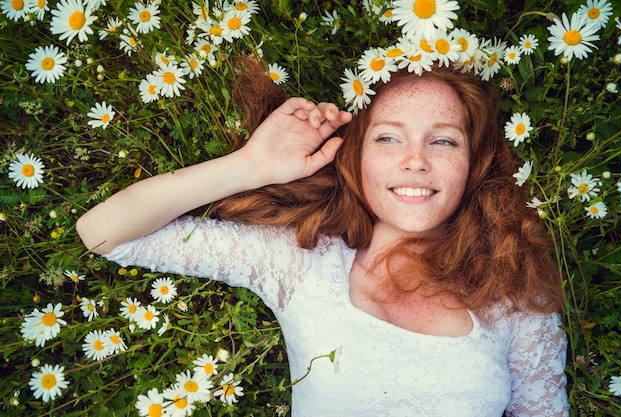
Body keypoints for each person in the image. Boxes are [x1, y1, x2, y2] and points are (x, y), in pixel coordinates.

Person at [76, 59, 569, 416]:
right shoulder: (301, 263)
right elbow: (105, 233)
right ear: (354, 158)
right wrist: (251, 165)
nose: (415, 160)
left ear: (473, 163)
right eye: (388, 137)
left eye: (443, 140)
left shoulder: (515, 293)